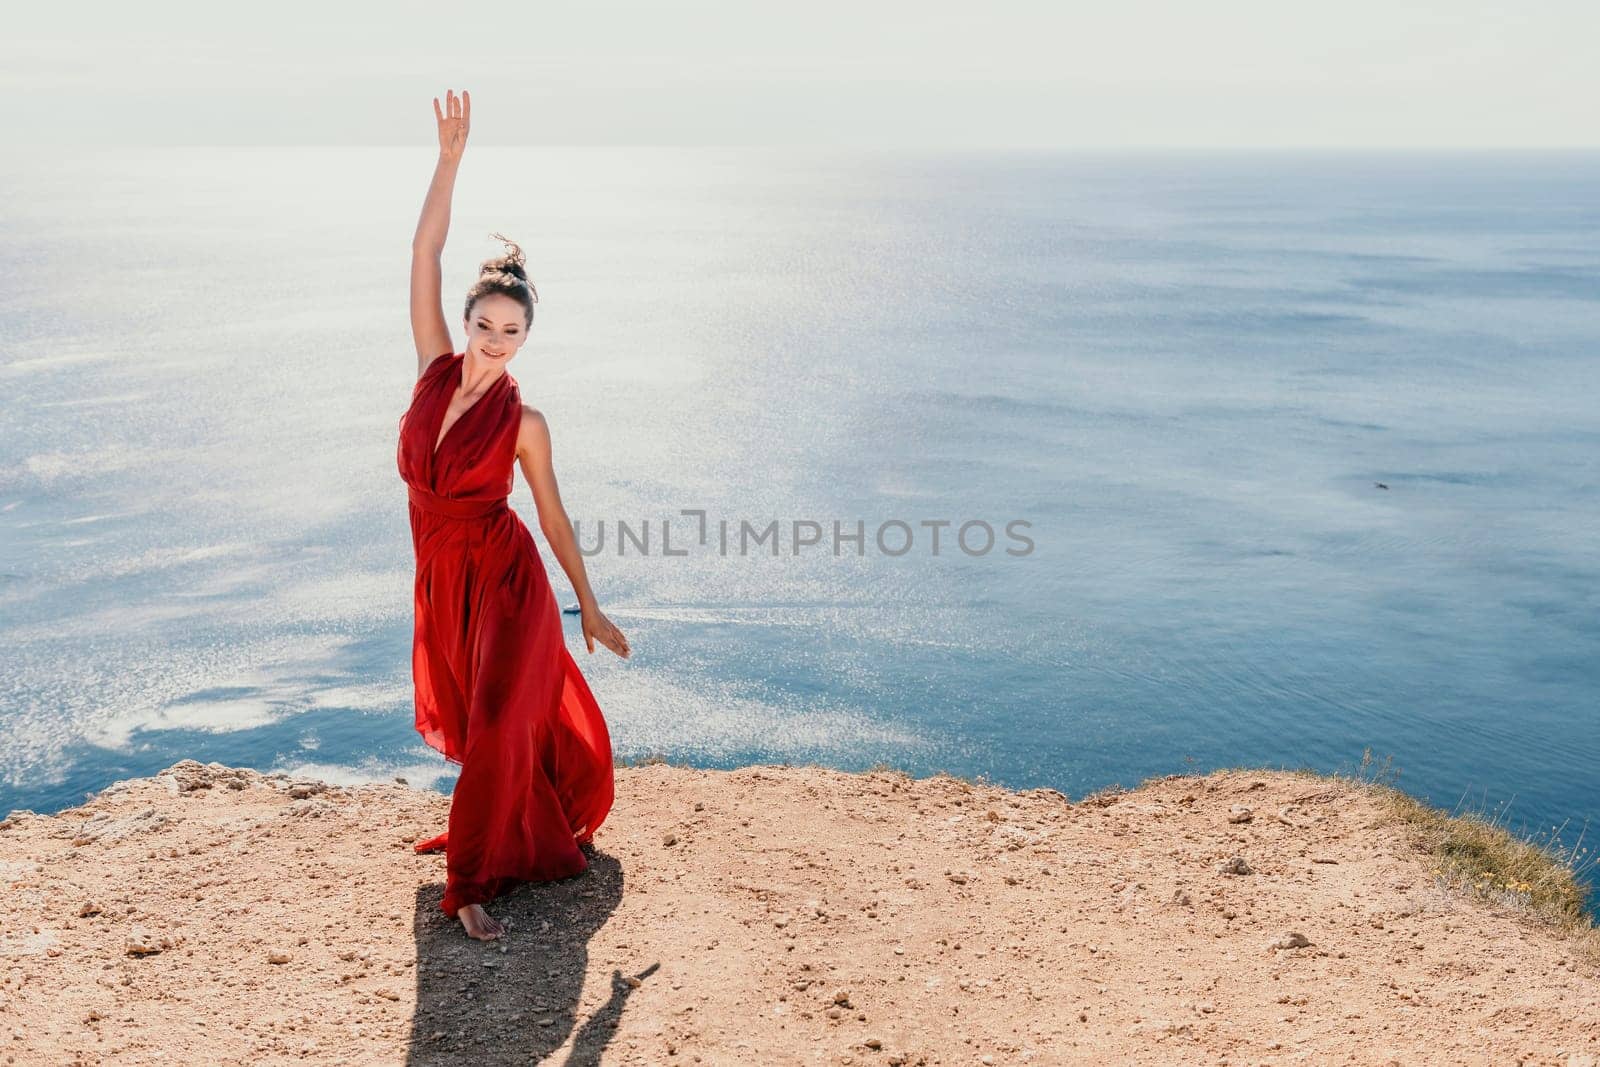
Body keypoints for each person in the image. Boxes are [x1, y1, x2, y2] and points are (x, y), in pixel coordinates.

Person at [397, 88, 631, 941]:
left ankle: (472, 881)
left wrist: (589, 605)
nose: (496, 340)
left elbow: (556, 519)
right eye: (485, 324)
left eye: (512, 331)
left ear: (527, 338)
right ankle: (485, 827)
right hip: (442, 577)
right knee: (474, 719)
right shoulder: (431, 372)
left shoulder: (526, 422)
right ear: (464, 322)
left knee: (498, 719)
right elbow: (424, 250)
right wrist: (450, 160)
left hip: (507, 581)